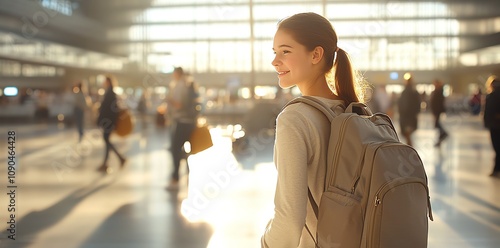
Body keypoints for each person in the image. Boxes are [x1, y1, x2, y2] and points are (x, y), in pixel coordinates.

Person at [262, 12, 362, 247]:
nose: (275, 61)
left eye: (285, 51)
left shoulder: (295, 118)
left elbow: (289, 220)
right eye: (275, 52)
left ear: (316, 54)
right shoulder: (352, 109)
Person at [166, 67, 199, 190]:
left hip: (182, 121)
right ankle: (186, 171)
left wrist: (170, 101)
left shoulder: (180, 86)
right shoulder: (189, 84)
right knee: (183, 148)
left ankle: (175, 177)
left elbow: (179, 104)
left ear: (177, 74)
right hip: (190, 122)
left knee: (175, 149)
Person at [96, 75, 126, 173]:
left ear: (108, 82)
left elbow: (108, 109)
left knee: (107, 140)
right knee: (107, 141)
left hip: (108, 121)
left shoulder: (110, 93)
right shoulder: (109, 93)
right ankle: (108, 162)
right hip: (108, 121)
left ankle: (118, 158)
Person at [397, 77, 421, 147]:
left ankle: (409, 146)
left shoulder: (406, 92)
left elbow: (402, 104)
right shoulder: (414, 92)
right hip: (411, 115)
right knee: (407, 132)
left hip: (406, 115)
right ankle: (409, 146)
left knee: (406, 132)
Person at [484, 76, 500, 177]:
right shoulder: (491, 95)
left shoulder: (494, 95)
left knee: (497, 148)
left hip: (495, 125)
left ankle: (496, 169)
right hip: (493, 124)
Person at [430, 79, 449, 147]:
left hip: (437, 111)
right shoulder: (437, 91)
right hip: (436, 111)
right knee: (437, 125)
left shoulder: (439, 92)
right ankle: (440, 138)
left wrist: (436, 112)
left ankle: (443, 134)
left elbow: (438, 103)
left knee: (437, 124)